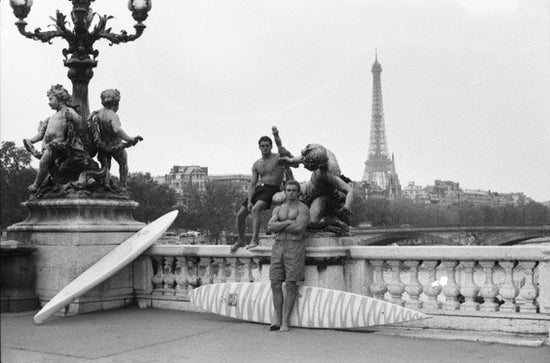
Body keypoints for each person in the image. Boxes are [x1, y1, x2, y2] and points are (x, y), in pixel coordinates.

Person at [23, 84, 92, 192]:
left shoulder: (67, 111)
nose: (49, 102)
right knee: (50, 168)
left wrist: (73, 117)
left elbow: (79, 121)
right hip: (48, 147)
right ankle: (60, 184)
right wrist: (31, 140)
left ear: (60, 97)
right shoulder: (51, 118)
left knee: (43, 162)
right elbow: (42, 134)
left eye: (51, 99)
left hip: (58, 145)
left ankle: (36, 184)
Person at [266, 180, 310, 332]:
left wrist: (280, 224)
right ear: (285, 191)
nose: (290, 192)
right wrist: (287, 223)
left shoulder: (303, 209)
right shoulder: (278, 208)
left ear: (298, 192)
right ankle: (277, 319)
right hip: (278, 246)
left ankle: (285, 321)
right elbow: (270, 226)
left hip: (294, 246)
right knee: (275, 283)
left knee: (291, 284)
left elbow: (299, 227)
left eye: (293, 190)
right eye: (288, 190)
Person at [230, 136, 284, 252]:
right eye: (262, 146)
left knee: (255, 209)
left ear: (271, 146)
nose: (265, 148)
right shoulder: (257, 164)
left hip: (273, 189)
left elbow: (292, 163)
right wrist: (249, 200)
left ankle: (254, 240)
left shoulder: (278, 158)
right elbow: (253, 183)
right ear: (259, 147)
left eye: (267, 146)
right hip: (261, 189)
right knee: (240, 214)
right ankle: (241, 240)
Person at [88, 89, 142, 190]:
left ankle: (106, 183)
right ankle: (122, 186)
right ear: (116, 101)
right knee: (123, 163)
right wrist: (129, 138)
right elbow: (117, 130)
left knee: (105, 165)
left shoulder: (98, 114)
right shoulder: (113, 115)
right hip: (115, 144)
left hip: (103, 144)